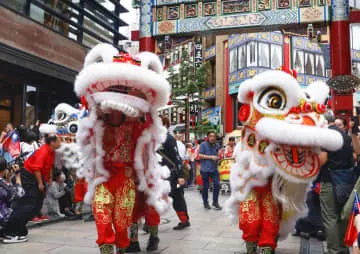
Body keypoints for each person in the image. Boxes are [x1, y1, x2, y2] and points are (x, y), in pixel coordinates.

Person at [74, 46, 171, 254]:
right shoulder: (95, 124)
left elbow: (150, 124)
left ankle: (139, 240)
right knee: (102, 222)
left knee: (122, 225)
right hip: (103, 180)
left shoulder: (136, 125)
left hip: (128, 178)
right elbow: (83, 139)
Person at [319, 114, 355, 254]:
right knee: (342, 216)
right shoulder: (344, 135)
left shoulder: (325, 136)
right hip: (346, 180)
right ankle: (343, 248)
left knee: (330, 217)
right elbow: (354, 155)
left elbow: (322, 159)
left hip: (330, 180)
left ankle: (334, 250)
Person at [20, 125, 61, 226]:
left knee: (40, 196)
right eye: (58, 141)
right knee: (32, 195)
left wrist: (50, 177)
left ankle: (37, 213)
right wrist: (40, 183)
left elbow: (50, 165)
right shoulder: (43, 151)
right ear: (52, 142)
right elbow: (36, 168)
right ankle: (31, 216)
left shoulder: (52, 151)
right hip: (29, 173)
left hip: (38, 174)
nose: (60, 143)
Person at [159, 116, 190, 230]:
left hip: (172, 175)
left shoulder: (169, 139)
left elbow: (177, 158)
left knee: (177, 198)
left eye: (161, 123)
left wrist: (180, 176)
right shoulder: (154, 138)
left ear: (166, 125)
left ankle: (184, 220)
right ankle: (150, 224)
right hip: (159, 175)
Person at [0, 157, 27, 243]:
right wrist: (17, 175)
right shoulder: (2, 183)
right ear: (4, 170)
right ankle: (9, 234)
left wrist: (7, 179)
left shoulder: (3, 183)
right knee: (23, 230)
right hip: (2, 219)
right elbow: (20, 193)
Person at [199, 131, 222, 210]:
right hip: (205, 169)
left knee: (217, 185)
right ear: (208, 137)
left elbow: (217, 154)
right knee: (206, 187)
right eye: (210, 136)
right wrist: (211, 157)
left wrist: (218, 157)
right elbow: (200, 155)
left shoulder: (217, 145)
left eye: (214, 136)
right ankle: (205, 202)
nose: (212, 138)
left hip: (214, 169)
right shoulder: (203, 145)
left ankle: (215, 202)